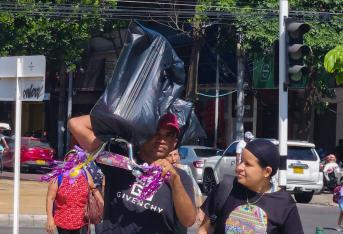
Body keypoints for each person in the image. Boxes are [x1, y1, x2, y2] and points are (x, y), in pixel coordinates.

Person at [68, 113, 196, 233]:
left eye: (168, 135)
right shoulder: (121, 161)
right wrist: (127, 122)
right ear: (143, 134)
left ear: (174, 143)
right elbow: (75, 124)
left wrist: (174, 181)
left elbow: (189, 220)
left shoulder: (180, 177)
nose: (161, 139)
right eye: (155, 133)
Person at [198, 139, 304, 234]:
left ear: (267, 171)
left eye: (247, 164)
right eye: (241, 161)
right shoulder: (226, 188)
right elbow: (204, 229)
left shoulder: (283, 203)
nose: (239, 167)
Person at [46, 155, 102, 234]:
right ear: (65, 160)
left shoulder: (85, 174)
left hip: (82, 221)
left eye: (76, 157)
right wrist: (50, 218)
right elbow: (50, 198)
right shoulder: (58, 177)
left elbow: (94, 190)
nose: (73, 159)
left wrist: (102, 204)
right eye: (70, 157)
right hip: (63, 221)